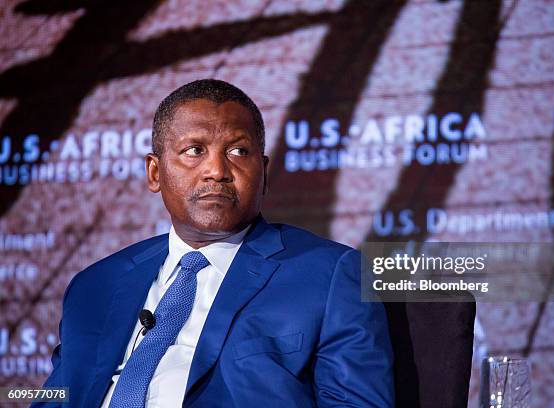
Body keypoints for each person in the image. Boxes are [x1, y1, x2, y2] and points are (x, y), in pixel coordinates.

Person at [34, 79, 394, 407]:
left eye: (238, 152)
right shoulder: (95, 285)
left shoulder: (330, 275)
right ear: (155, 173)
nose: (217, 170)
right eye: (194, 150)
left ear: (264, 172)